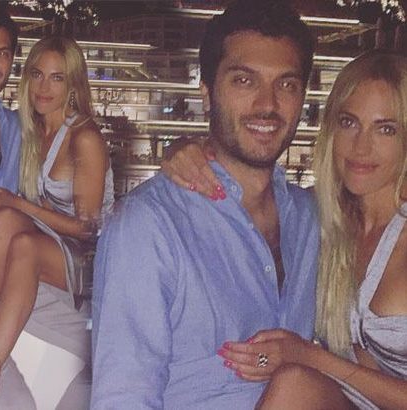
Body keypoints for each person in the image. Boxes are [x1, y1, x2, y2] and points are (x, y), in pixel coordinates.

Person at [90, 0, 319, 408]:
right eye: (244, 81)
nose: (267, 104)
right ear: (207, 94)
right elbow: (123, 396)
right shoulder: (149, 225)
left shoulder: (314, 220)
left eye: (286, 85)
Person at [164, 50, 407, 408]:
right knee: (294, 385)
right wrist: (183, 151)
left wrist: (309, 356)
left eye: (386, 129)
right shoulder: (315, 219)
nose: (361, 146)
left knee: (295, 381)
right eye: (349, 122)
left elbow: (308, 362)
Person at [0, 5, 112, 410]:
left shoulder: (20, 130)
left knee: (12, 219)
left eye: (2, 54)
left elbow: (87, 225)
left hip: (45, 271)